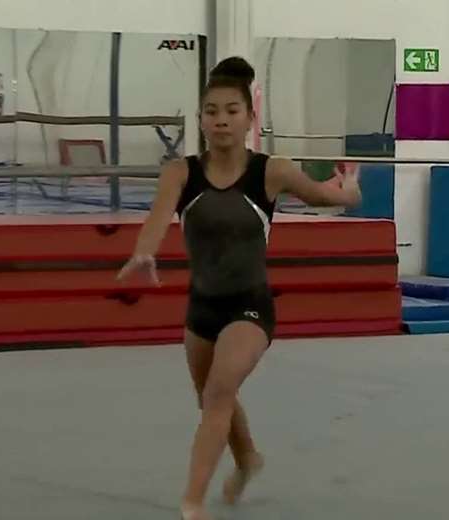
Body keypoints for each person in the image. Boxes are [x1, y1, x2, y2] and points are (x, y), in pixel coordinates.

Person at [117, 56, 362, 519]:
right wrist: (144, 251)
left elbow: (328, 196)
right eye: (211, 111)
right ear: (200, 119)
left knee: (218, 391)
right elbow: (157, 218)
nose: (221, 120)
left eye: (232, 110)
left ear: (250, 118)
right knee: (213, 396)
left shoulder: (272, 171)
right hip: (202, 309)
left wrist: (349, 188)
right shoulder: (180, 173)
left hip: (250, 307)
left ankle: (192, 502)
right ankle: (247, 458)